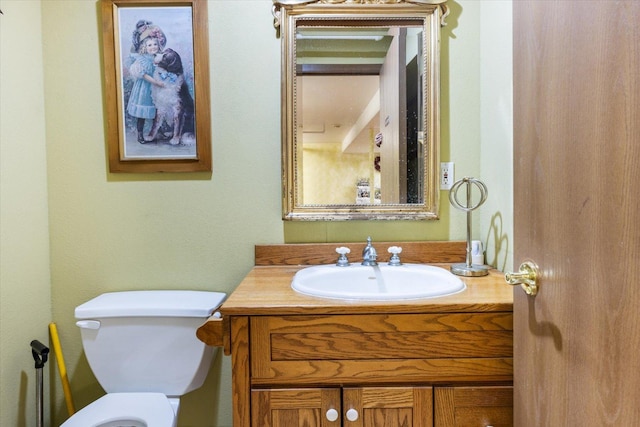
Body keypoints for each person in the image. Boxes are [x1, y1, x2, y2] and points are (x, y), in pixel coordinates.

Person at [126, 21, 166, 143]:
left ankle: (157, 131)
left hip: (156, 89)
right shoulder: (142, 59)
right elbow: (143, 75)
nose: (153, 47)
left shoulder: (158, 58)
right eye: (149, 45)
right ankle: (140, 134)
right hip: (144, 88)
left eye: (155, 44)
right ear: (144, 47)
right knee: (142, 113)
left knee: (157, 109)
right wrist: (156, 82)